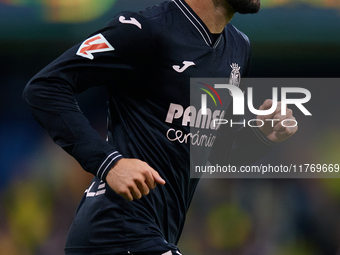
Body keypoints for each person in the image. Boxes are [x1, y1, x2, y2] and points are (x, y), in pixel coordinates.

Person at [23, 0, 297, 254]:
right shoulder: (145, 30)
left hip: (157, 234)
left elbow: (206, 153)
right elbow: (45, 86)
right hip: (115, 230)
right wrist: (109, 163)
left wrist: (261, 137)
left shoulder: (238, 48)